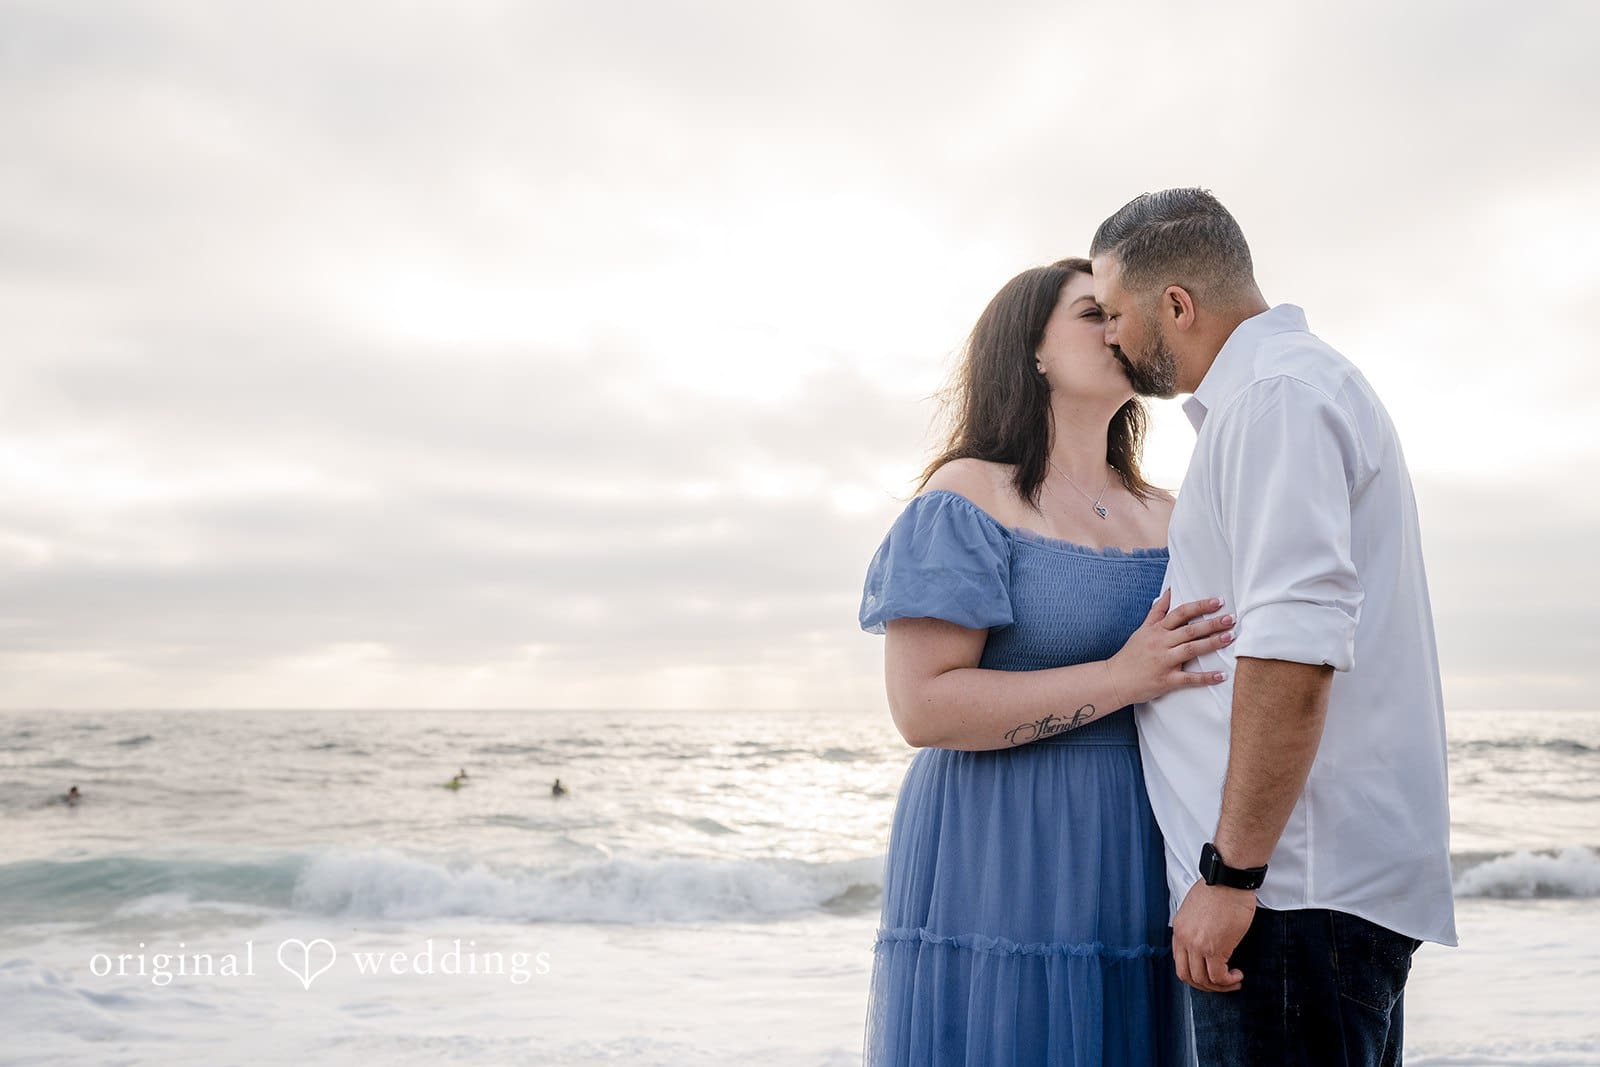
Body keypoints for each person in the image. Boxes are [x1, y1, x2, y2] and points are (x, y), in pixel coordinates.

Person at [1088, 188, 1457, 1065]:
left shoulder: (1275, 400)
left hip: (1290, 899)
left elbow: (1296, 647)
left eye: (1114, 312)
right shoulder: (1285, 390)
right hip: (1303, 899)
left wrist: (1231, 875)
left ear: (1177, 304)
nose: (1107, 334)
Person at [858, 257, 1234, 1065]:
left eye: (1124, 313)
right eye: (1092, 314)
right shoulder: (968, 497)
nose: (1118, 329)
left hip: (1143, 836)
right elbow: (923, 708)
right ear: (1030, 351)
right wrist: (1121, 678)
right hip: (998, 841)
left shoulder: (1177, 511)